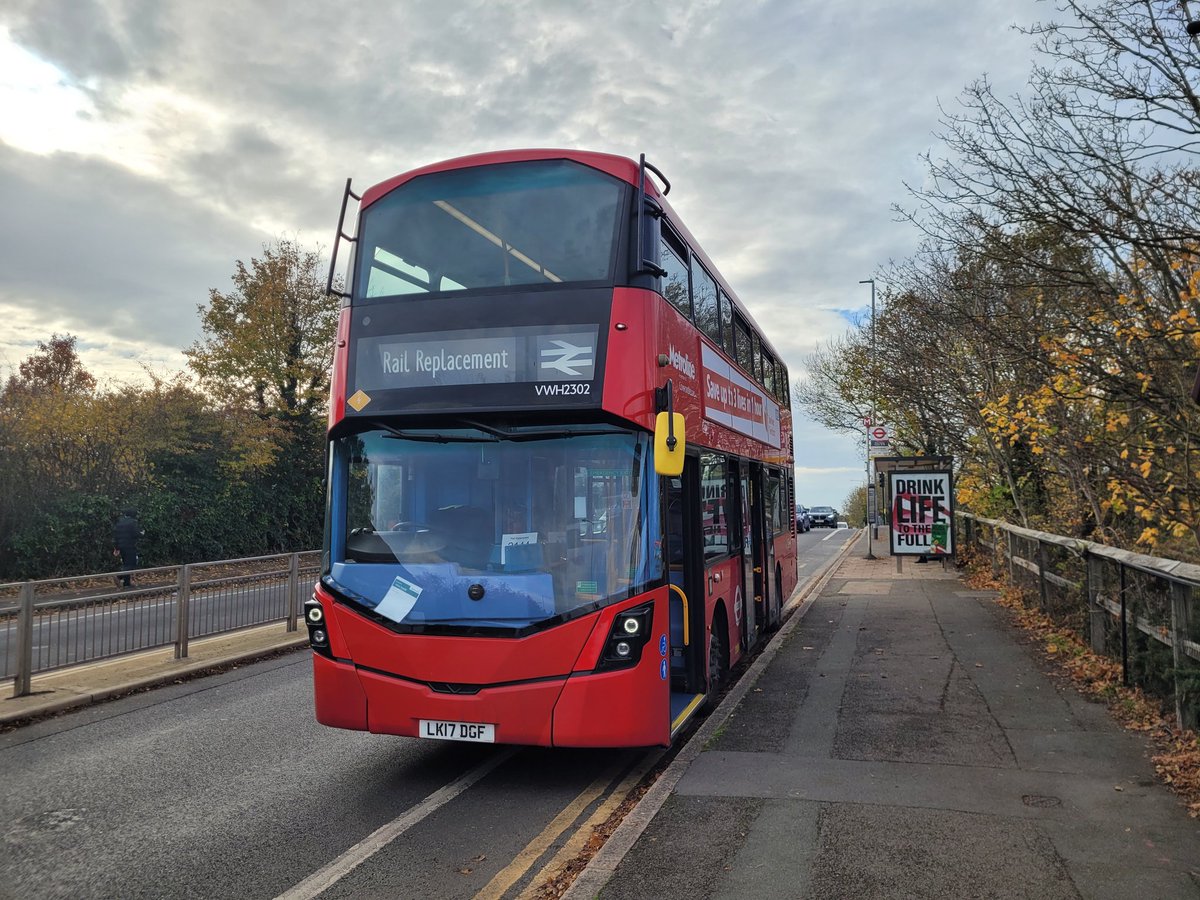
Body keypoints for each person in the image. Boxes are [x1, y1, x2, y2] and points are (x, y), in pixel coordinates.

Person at [113, 508, 143, 588]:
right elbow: (137, 533)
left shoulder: (119, 523)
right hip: (129, 546)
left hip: (121, 547)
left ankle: (127, 584)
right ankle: (119, 576)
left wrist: (116, 548)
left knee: (126, 564)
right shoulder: (132, 522)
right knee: (132, 564)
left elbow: (116, 536)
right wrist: (142, 533)